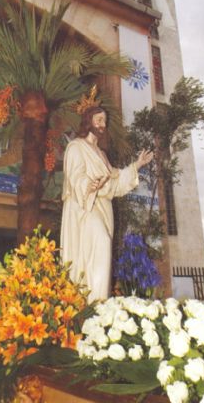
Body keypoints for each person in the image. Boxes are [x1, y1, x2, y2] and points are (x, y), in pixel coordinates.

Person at [60, 105, 153, 302]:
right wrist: (90, 185)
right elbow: (74, 175)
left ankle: (98, 301)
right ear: (88, 121)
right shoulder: (76, 147)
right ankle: (91, 301)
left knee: (101, 251)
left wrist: (137, 165)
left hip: (103, 207)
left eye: (104, 121)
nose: (103, 125)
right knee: (99, 242)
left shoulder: (101, 154)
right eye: (99, 120)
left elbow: (115, 183)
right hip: (85, 206)